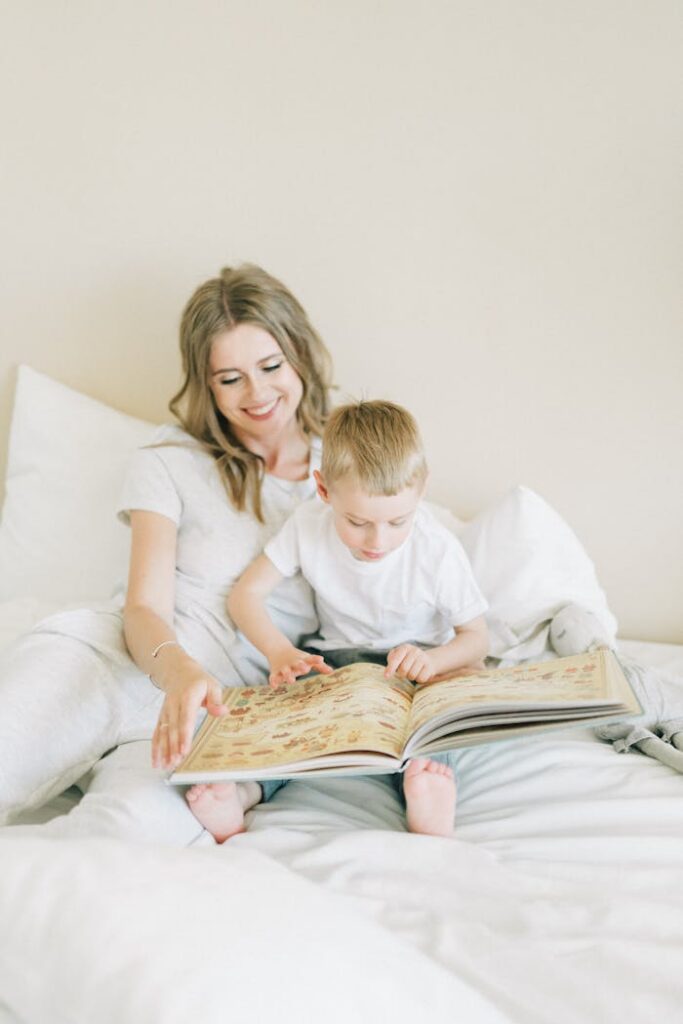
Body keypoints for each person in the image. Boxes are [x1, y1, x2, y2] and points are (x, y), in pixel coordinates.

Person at [0, 263, 333, 843]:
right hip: (110, 662)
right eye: (230, 379)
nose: (256, 394)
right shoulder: (170, 459)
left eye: (270, 366)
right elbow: (143, 608)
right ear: (206, 384)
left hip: (210, 720)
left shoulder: (347, 482)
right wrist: (180, 671)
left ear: (300, 354)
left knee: (121, 847)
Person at [186, 400, 489, 840]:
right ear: (324, 490)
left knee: (436, 712)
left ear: (420, 493)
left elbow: (477, 637)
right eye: (358, 522)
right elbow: (245, 596)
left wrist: (437, 661)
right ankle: (248, 790)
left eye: (397, 521)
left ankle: (426, 783)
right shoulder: (308, 524)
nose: (377, 541)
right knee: (294, 717)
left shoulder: (437, 551)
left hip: (417, 666)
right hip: (336, 660)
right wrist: (279, 652)